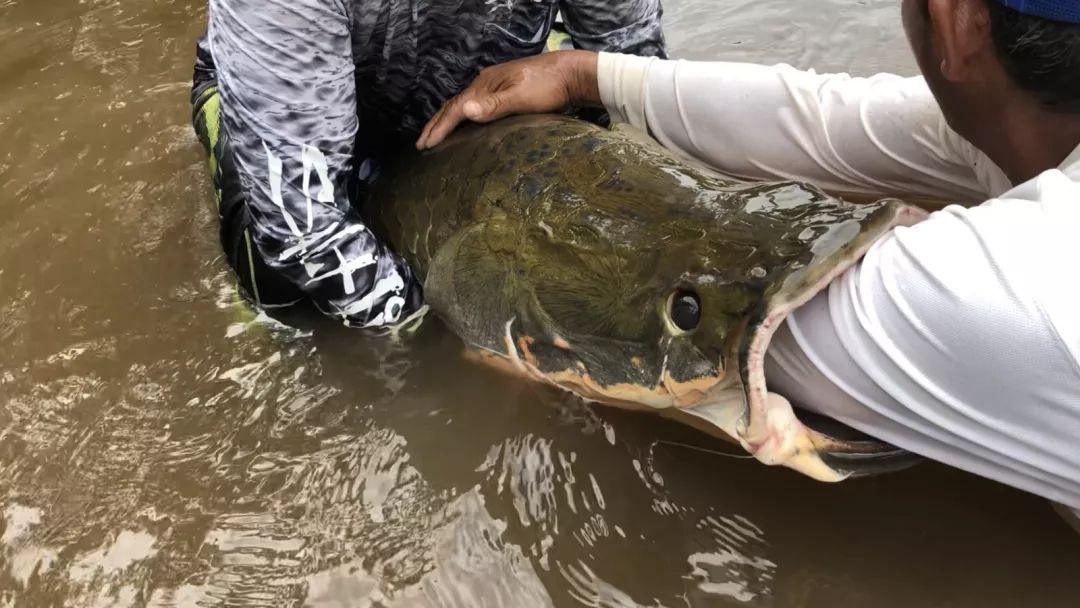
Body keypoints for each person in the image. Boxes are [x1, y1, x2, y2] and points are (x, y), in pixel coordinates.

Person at [418, 0, 1080, 514]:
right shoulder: (1031, 136)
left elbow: (728, 336)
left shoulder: (1016, 285)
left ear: (957, 22)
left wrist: (518, 353)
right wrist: (582, 74)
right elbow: (829, 122)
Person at [189, 0, 666, 330]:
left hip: (479, 88)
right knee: (280, 285)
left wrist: (576, 79)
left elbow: (636, 66)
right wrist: (443, 340)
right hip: (300, 100)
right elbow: (303, 232)